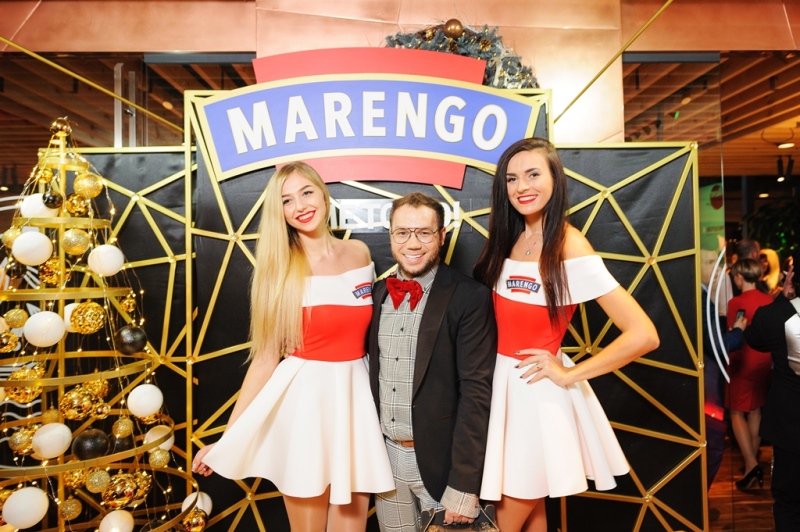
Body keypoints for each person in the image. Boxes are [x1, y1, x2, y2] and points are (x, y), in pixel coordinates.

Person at [191, 162, 394, 531]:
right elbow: (265, 360)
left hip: (355, 402)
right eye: (287, 200)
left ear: (323, 193)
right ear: (280, 212)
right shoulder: (280, 269)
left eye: (306, 192)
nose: (300, 205)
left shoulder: (360, 252)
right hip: (305, 408)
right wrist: (228, 437)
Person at [473, 137, 660, 532]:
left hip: (535, 397)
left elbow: (643, 334)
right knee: (533, 516)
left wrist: (569, 373)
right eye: (511, 179)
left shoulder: (570, 244)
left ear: (555, 179)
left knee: (502, 522)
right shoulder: (510, 237)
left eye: (533, 174)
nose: (522, 186)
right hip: (502, 391)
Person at [368, 192, 496, 531]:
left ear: (441, 236)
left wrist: (464, 485)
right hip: (384, 464)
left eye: (424, 232)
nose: (413, 243)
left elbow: (476, 393)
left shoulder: (470, 297)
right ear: (391, 236)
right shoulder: (378, 294)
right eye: (402, 232)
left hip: (442, 469)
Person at [744, 253, 800, 532]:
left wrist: (783, 298)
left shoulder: (776, 315)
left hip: (791, 424)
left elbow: (753, 337)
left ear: (792, 277)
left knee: (789, 500)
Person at [726, 258, 773, 489]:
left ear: (739, 277)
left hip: (743, 360)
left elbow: (733, 333)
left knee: (736, 412)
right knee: (755, 410)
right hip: (764, 360)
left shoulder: (735, 302)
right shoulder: (768, 300)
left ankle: (752, 465)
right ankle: (750, 466)